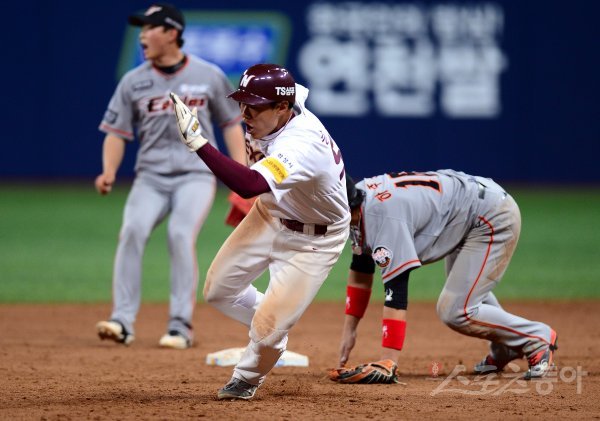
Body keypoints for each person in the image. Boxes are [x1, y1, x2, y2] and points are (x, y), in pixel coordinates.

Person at [170, 63, 349, 400]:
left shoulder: (302, 142)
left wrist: (199, 143)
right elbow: (293, 91)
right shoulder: (281, 107)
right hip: (270, 214)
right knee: (218, 291)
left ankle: (248, 376)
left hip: (315, 239)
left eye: (253, 106)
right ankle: (274, 324)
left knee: (268, 334)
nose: (244, 113)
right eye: (242, 102)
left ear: (282, 107)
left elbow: (250, 184)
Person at [95, 3, 246, 350]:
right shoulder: (133, 81)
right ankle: (121, 321)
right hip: (150, 176)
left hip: (196, 175)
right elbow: (116, 132)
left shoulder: (208, 75)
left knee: (180, 234)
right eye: (142, 28)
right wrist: (109, 171)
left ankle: (180, 326)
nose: (142, 36)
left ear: (172, 33)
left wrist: (240, 173)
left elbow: (231, 124)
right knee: (131, 231)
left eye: (149, 28)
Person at [331, 170, 557, 383]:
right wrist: (349, 331)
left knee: (456, 310)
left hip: (490, 216)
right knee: (464, 296)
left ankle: (537, 339)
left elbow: (396, 290)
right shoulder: (358, 197)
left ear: (346, 208)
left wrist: (388, 360)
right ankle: (505, 347)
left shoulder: (382, 218)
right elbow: (361, 269)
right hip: (469, 211)